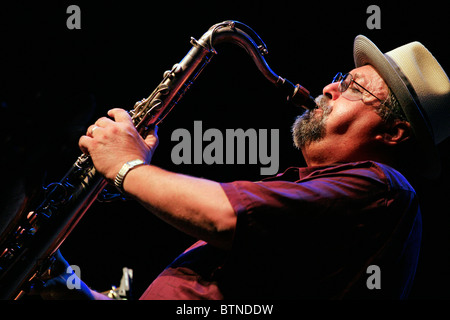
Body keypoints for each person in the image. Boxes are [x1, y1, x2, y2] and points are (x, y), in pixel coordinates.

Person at [40, 35, 450, 300]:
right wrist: (77, 292)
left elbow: (221, 216)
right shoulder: (317, 194)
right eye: (341, 79)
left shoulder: (382, 188)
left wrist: (126, 165)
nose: (328, 88)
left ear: (396, 134)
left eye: (352, 89)